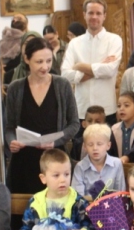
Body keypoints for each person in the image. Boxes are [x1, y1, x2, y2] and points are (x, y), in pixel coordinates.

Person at [5, 37, 79, 193]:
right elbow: (9, 127)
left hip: (54, 160)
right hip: (24, 161)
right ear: (27, 59)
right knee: (24, 204)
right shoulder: (15, 88)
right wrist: (12, 141)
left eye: (49, 61)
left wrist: (55, 142)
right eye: (39, 62)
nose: (45, 67)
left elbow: (74, 124)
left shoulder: (62, 85)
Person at [61, 0, 123, 123]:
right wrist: (100, 66)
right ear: (84, 15)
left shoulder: (114, 40)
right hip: (81, 110)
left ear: (104, 16)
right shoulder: (74, 43)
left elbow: (110, 70)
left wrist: (80, 66)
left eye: (98, 13)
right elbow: (65, 74)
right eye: (90, 13)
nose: (94, 17)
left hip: (106, 110)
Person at [72, 124, 127, 198]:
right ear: (85, 147)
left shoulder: (117, 164)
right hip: (87, 205)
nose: (95, 148)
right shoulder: (80, 167)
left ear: (108, 145)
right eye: (90, 144)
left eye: (99, 144)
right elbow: (77, 197)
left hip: (112, 204)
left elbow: (120, 194)